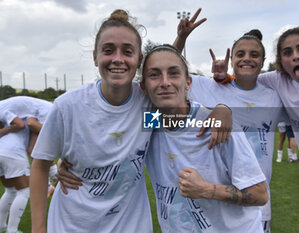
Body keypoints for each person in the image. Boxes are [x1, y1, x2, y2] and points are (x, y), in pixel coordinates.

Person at [30, 9, 229, 233]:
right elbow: (39, 166)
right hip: (71, 226)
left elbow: (175, 95)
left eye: (127, 51)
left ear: (138, 60)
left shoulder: (146, 107)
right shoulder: (68, 107)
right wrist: (38, 229)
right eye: (108, 50)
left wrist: (222, 110)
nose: (117, 59)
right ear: (95, 57)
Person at [218, 26, 299, 233]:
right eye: (287, 53)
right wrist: (223, 79)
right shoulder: (277, 81)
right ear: (281, 61)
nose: (295, 57)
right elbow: (245, 81)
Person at [174, 22, 286, 231]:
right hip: (219, 199)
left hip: (258, 200)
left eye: (254, 54)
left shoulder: (273, 97)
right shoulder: (212, 87)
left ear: (263, 62)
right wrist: (181, 38)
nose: (247, 58)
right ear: (232, 59)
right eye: (240, 53)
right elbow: (170, 73)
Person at [0, 96, 52, 233]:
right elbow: (34, 148)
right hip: (12, 153)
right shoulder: (22, 116)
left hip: (2, 152)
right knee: (24, 191)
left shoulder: (12, 115)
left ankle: (1, 226)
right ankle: (12, 230)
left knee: (10, 191)